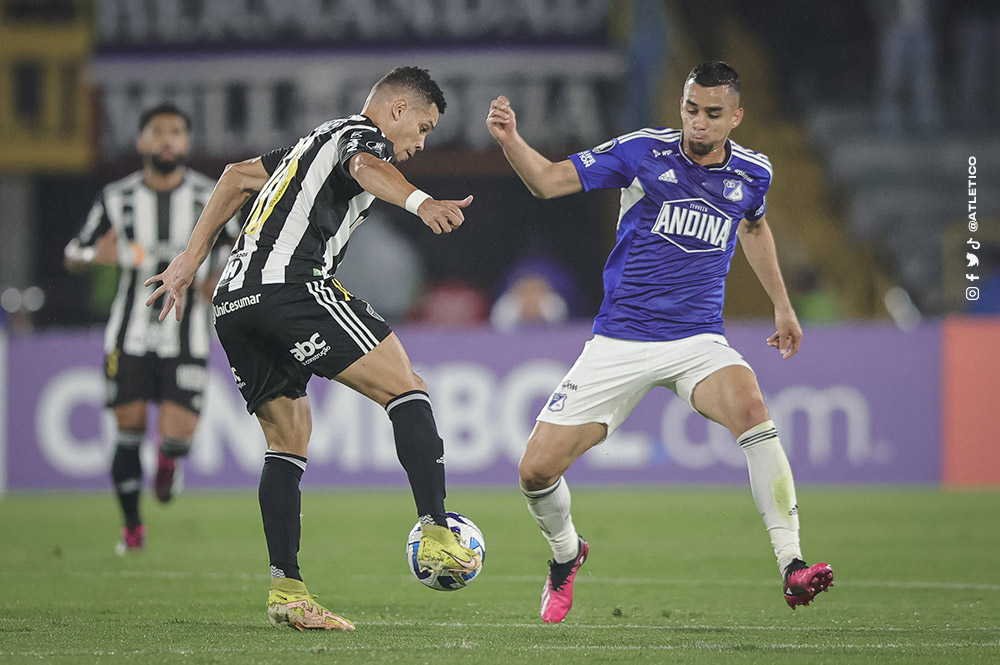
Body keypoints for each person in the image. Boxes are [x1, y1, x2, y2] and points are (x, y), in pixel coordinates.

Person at [487, 61, 833, 624]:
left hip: (698, 339)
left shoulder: (754, 172)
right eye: (691, 109)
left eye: (713, 113)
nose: (699, 122)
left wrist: (783, 304)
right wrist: (511, 141)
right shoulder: (643, 151)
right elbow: (548, 180)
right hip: (621, 339)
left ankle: (793, 564)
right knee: (534, 471)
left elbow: (754, 226)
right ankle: (566, 555)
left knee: (752, 408)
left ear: (736, 117)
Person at [145, 67, 480, 632]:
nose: (420, 144)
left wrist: (189, 259)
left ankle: (287, 589)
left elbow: (232, 176)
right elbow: (365, 165)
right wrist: (421, 203)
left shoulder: (306, 145)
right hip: (290, 287)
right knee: (407, 389)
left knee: (288, 439)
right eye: (421, 127)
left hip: (233, 302)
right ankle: (438, 529)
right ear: (395, 110)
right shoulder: (361, 137)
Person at [64, 102, 234, 554]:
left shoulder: (209, 196)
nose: (166, 139)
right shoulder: (116, 198)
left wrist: (220, 277)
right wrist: (90, 257)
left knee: (177, 436)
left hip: (188, 332)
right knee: (129, 428)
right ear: (141, 142)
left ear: (187, 142)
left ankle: (167, 465)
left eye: (175, 131)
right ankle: (133, 529)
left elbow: (246, 247)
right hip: (129, 333)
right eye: (157, 131)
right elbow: (74, 252)